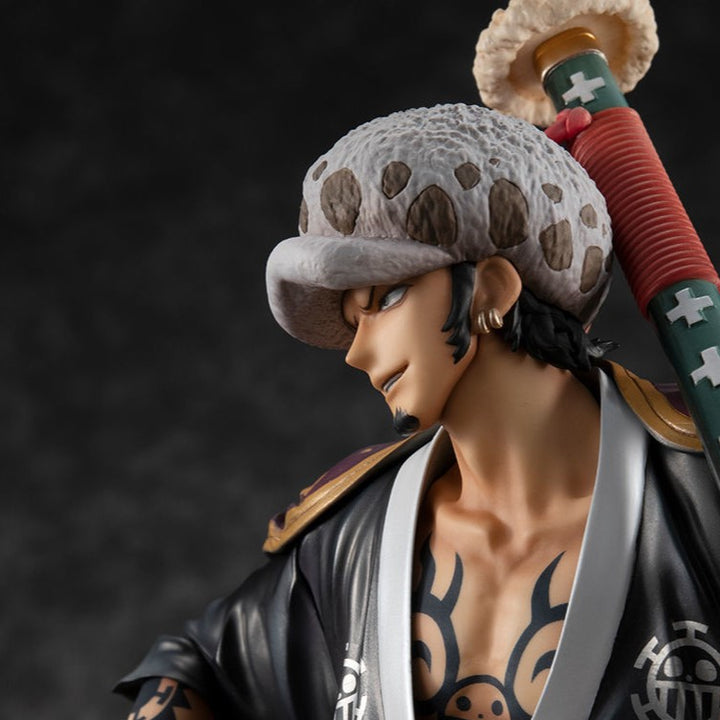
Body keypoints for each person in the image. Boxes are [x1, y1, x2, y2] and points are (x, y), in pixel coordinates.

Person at [116, 104, 720, 720]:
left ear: (491, 289)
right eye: (351, 321)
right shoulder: (354, 534)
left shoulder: (698, 492)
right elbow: (202, 667)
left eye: (384, 299)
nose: (357, 353)